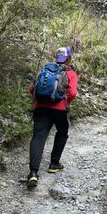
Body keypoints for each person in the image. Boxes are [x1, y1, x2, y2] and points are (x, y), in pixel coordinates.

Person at [27, 46, 78, 188]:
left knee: (38, 137)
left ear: (56, 57)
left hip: (40, 108)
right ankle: (54, 164)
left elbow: (32, 89)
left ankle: (33, 173)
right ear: (68, 59)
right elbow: (73, 93)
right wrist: (64, 100)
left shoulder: (45, 69)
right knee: (62, 133)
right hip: (60, 110)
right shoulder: (70, 73)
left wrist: (43, 100)